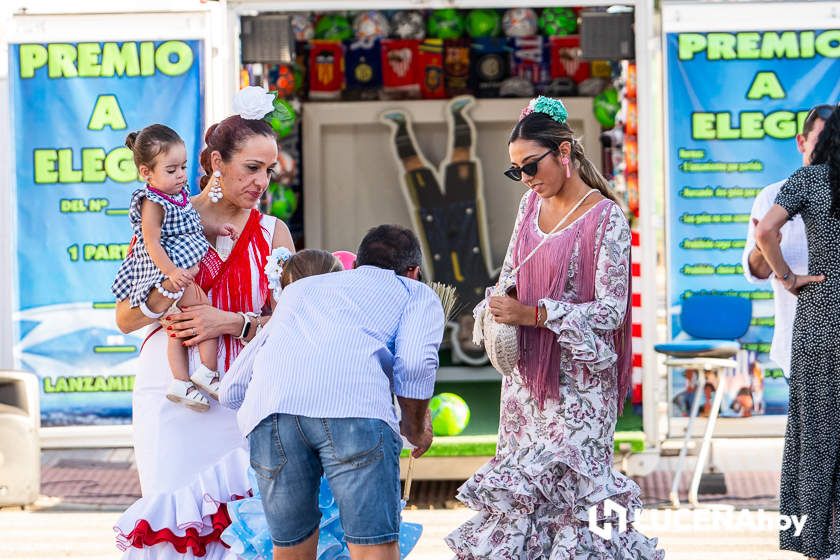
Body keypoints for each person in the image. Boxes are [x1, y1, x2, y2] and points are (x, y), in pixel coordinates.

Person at [446, 97, 662, 558]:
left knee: (578, 498)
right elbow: (509, 273)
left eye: (531, 165)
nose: (525, 179)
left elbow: (611, 313)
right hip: (527, 381)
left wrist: (535, 314)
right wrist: (498, 305)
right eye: (517, 171)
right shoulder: (529, 206)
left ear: (564, 152)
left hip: (582, 384)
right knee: (525, 497)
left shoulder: (607, 218)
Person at [113, 87, 296, 560]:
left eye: (269, 170)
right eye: (251, 167)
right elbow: (126, 318)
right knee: (176, 517)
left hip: (247, 395)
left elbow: (296, 322)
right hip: (174, 394)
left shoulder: (274, 232)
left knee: (246, 522)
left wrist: (230, 322)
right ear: (216, 161)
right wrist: (171, 294)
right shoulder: (166, 220)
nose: (262, 181)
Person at [219, 224, 445, 560]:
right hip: (355, 411)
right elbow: (414, 366)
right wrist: (414, 428)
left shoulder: (303, 290)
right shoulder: (414, 292)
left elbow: (232, 390)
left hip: (271, 415)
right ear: (412, 272)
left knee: (290, 552)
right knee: (373, 550)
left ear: (355, 265)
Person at [755, 105, 839, 559]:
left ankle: (815, 539)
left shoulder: (806, 182)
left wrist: (787, 277)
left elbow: (765, 232)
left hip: (821, 312)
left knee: (815, 430)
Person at [114, 124, 238, 412]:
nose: (181, 175)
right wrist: (170, 273)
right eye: (171, 170)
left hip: (178, 274)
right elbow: (151, 242)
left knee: (178, 331)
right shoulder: (153, 201)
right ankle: (207, 372)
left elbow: (192, 224)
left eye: (183, 167)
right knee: (203, 314)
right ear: (147, 173)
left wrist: (218, 227)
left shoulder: (178, 196)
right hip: (167, 275)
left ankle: (180, 382)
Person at [742, 104, 832, 378]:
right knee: (812, 421)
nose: (830, 150)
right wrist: (785, 275)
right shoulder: (774, 196)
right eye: (823, 141)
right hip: (800, 341)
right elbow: (756, 269)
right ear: (801, 142)